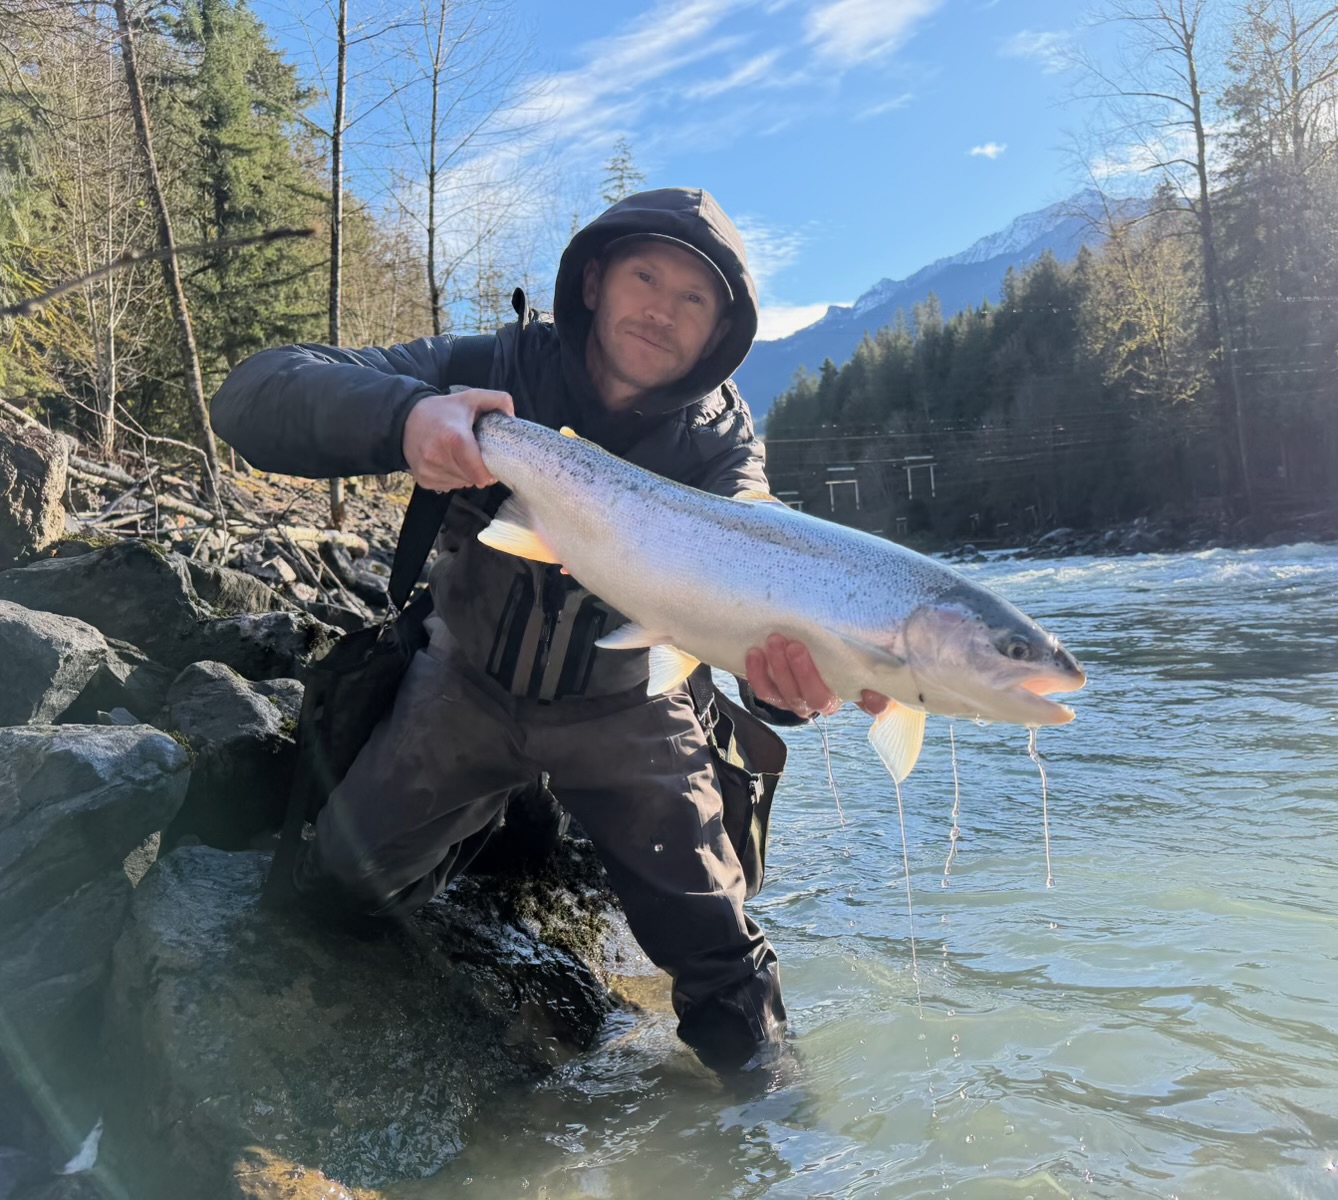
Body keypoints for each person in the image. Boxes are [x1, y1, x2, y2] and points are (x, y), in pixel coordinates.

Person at [211, 187, 881, 1072]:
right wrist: (407, 417)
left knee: (724, 966)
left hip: (629, 709)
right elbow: (251, 395)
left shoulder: (722, 447)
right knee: (339, 887)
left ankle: (768, 1121)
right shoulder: (488, 365)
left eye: (694, 299)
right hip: (464, 685)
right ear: (594, 282)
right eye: (646, 278)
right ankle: (500, 816)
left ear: (720, 332)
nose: (663, 310)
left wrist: (789, 688)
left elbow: (764, 584)